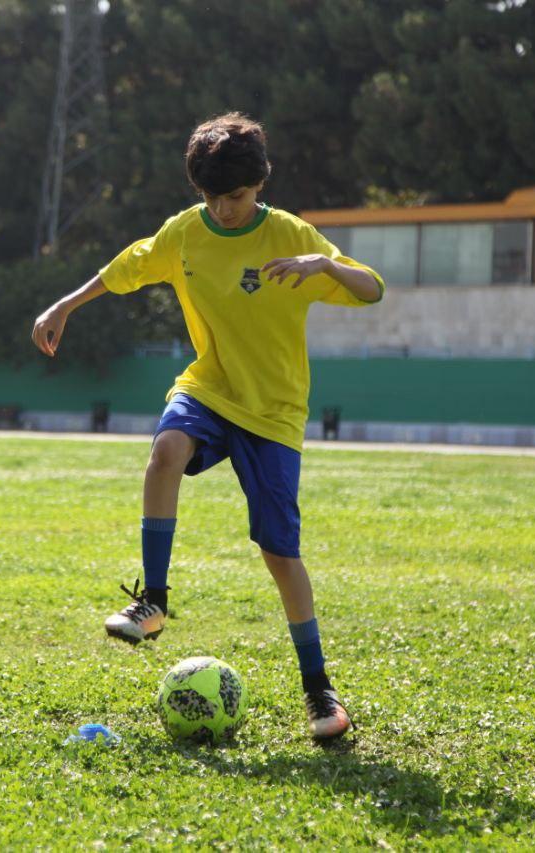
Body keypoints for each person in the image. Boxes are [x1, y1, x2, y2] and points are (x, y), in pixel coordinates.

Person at [30, 113, 384, 740]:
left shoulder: (289, 235)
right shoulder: (185, 233)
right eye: (212, 197)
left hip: (273, 410)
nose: (224, 209)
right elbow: (124, 268)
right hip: (210, 387)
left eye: (237, 197)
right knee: (166, 449)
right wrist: (64, 305)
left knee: (280, 552)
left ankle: (318, 689)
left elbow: (372, 289)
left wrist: (325, 266)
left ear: (260, 185)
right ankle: (155, 601)